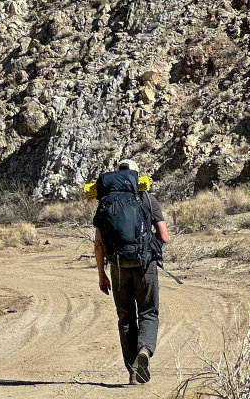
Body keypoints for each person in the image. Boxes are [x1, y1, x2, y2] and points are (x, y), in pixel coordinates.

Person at [92, 159, 169, 385]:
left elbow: (98, 244)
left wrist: (101, 274)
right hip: (145, 265)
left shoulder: (105, 202)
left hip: (117, 266)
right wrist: (149, 248)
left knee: (125, 318)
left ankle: (133, 372)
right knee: (148, 312)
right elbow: (164, 237)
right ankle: (144, 350)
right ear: (137, 176)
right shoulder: (147, 199)